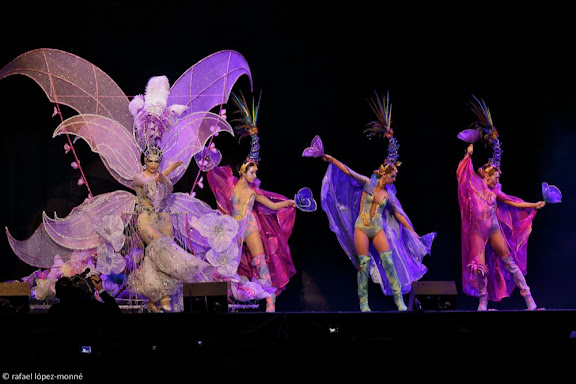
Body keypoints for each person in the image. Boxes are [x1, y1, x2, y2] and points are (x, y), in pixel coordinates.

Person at [314, 92, 434, 312]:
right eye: (393, 175)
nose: (395, 178)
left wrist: (412, 231)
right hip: (361, 227)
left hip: (377, 228)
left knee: (388, 262)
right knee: (363, 265)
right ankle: (364, 303)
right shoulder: (368, 183)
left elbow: (399, 214)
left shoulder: (389, 195)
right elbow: (348, 172)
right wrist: (330, 159)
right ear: (385, 174)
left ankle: (398, 300)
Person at [206, 92, 297, 312]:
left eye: (256, 172)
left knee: (260, 262)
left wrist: (288, 203)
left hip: (250, 228)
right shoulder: (231, 185)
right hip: (233, 229)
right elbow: (214, 176)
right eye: (251, 171)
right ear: (242, 171)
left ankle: (270, 300)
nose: (254, 175)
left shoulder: (255, 192)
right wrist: (207, 159)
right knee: (229, 263)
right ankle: (229, 296)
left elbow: (272, 205)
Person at [456, 96, 546, 311]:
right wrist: (468, 155)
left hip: (493, 228)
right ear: (485, 176)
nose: (497, 179)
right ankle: (483, 302)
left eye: (497, 177)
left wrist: (533, 205)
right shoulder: (475, 186)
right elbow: (463, 174)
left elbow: (514, 203)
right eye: (494, 177)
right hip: (478, 231)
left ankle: (530, 302)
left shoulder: (495, 192)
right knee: (479, 268)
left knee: (510, 264)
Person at [127, 148, 214, 313]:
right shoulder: (139, 177)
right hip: (146, 218)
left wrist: (165, 176)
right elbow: (149, 187)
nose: (153, 165)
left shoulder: (162, 178)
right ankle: (167, 295)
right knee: (161, 248)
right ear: (144, 161)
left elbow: (165, 191)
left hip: (163, 218)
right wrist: (169, 170)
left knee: (159, 258)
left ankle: (155, 301)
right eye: (150, 161)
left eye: (156, 161)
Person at [49, 273, 121, 314]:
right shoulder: (91, 308)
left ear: (57, 295)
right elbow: (115, 311)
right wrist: (100, 289)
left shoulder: (55, 311)